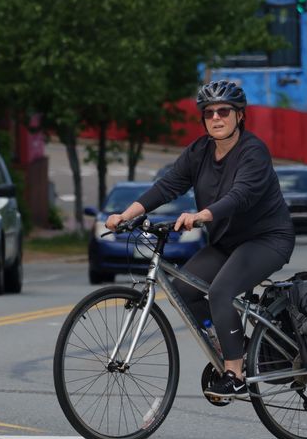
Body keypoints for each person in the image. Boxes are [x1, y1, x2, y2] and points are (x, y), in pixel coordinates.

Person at [105, 80, 295, 400]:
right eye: (209, 113)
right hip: (226, 243)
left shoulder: (253, 151)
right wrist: (126, 215)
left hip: (267, 239)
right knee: (183, 290)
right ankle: (237, 347)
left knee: (221, 291)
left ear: (240, 116)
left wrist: (203, 215)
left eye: (224, 111)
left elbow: (241, 196)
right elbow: (167, 187)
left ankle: (234, 372)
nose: (216, 118)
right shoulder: (199, 152)